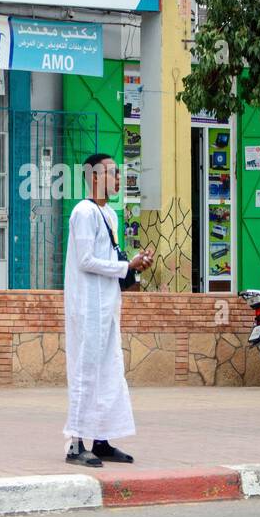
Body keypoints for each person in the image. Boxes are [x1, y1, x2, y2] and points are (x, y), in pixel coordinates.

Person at [63, 152, 154, 467]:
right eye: (113, 173)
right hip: (87, 307)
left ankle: (100, 440)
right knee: (85, 373)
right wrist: (124, 265)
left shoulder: (110, 215)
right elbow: (85, 260)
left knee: (109, 372)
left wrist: (132, 264)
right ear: (95, 177)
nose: (118, 179)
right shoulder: (83, 212)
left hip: (108, 306)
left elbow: (112, 259)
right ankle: (76, 444)